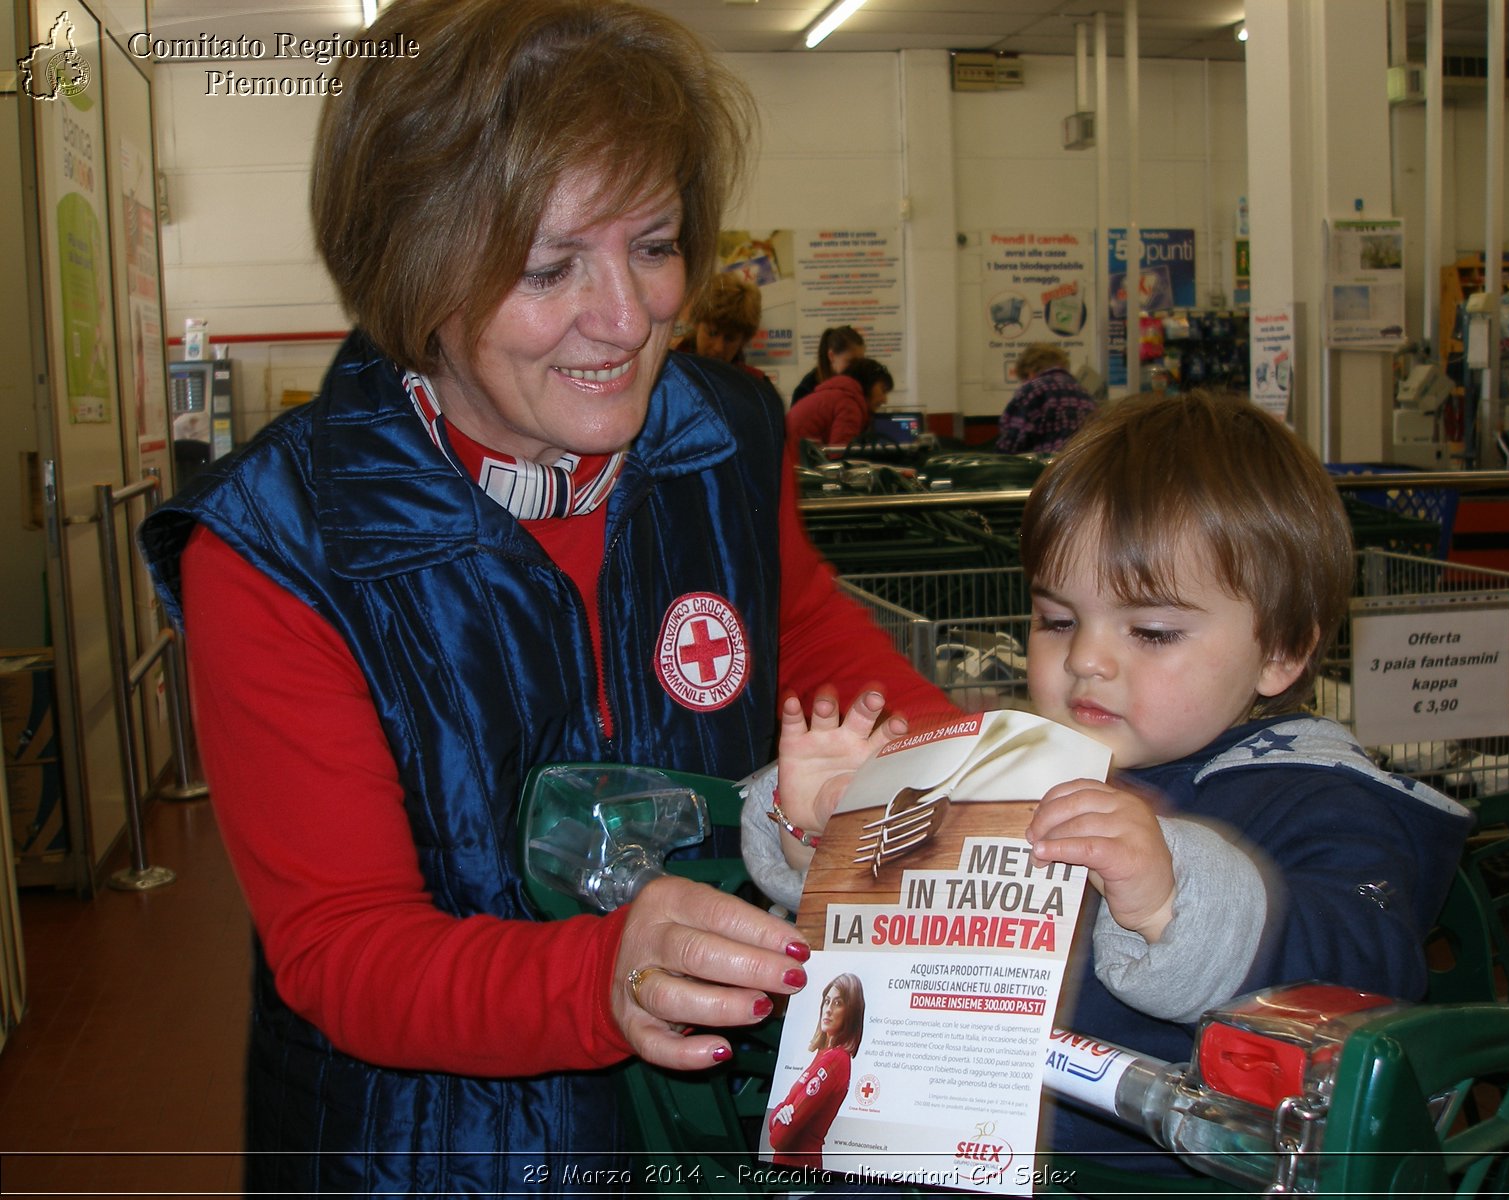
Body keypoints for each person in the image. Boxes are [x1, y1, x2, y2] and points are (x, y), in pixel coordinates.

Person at [136, 1, 953, 1192]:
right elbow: (342, 946)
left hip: (712, 1125)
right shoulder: (278, 544)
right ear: (415, 271)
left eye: (656, 244)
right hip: (429, 1150)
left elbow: (804, 633)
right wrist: (600, 976)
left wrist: (997, 783)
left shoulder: (721, 432)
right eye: (546, 265)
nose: (627, 320)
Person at [756, 390, 1473, 1174]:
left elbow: (1369, 977)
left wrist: (1176, 902)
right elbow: (887, 938)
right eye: (1058, 620)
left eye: (1152, 631)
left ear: (1282, 650)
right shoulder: (1008, 765)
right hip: (927, 1150)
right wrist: (825, 827)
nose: (1085, 660)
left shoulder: (1322, 800)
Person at [767, 973, 866, 1168]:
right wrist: (780, 1113)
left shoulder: (835, 1060)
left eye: (838, 1003)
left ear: (851, 1012)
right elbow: (785, 1106)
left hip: (801, 1175)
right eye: (827, 1001)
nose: (828, 1010)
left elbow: (779, 1139)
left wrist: (781, 1116)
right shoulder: (823, 1054)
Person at [673, 271, 773, 387]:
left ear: (743, 340)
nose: (718, 348)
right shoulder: (668, 373)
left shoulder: (757, 387)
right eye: (712, 333)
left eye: (730, 339)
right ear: (697, 324)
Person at [994, 343, 1096, 454]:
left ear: (1030, 372)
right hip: (1082, 463)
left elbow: (1012, 442)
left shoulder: (1033, 389)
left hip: (1047, 467)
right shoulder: (1084, 393)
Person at [785, 357, 894, 448]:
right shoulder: (849, 404)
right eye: (883, 390)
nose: (884, 400)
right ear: (868, 382)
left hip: (788, 459)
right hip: (796, 464)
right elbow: (840, 455)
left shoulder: (839, 395)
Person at [791, 325, 866, 404]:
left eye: (860, 361)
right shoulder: (806, 390)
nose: (857, 367)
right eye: (851, 361)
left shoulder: (861, 384)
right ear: (831, 356)